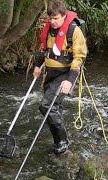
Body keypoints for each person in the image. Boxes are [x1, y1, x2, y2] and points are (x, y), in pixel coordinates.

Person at [33, 0, 87, 155]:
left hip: (65, 74)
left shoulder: (73, 31)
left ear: (64, 15)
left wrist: (69, 81)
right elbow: (45, 49)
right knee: (54, 107)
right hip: (50, 73)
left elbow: (79, 57)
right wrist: (38, 65)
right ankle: (59, 137)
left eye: (56, 18)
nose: (53, 21)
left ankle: (62, 141)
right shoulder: (48, 29)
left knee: (46, 106)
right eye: (51, 18)